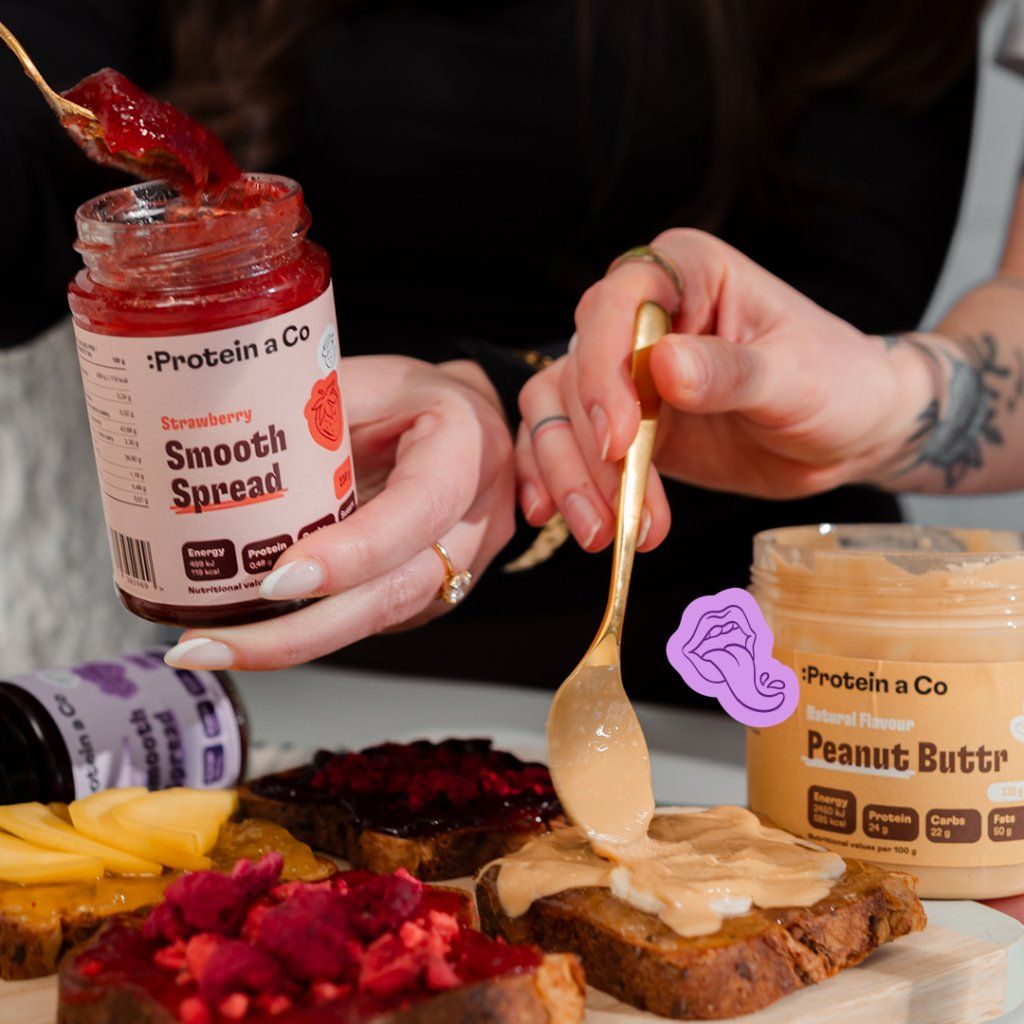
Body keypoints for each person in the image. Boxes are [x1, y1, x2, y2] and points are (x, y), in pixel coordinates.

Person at [0, 1, 983, 685]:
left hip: (753, 653)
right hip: (318, 653)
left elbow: (845, 309)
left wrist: (510, 392)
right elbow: (25, 217)